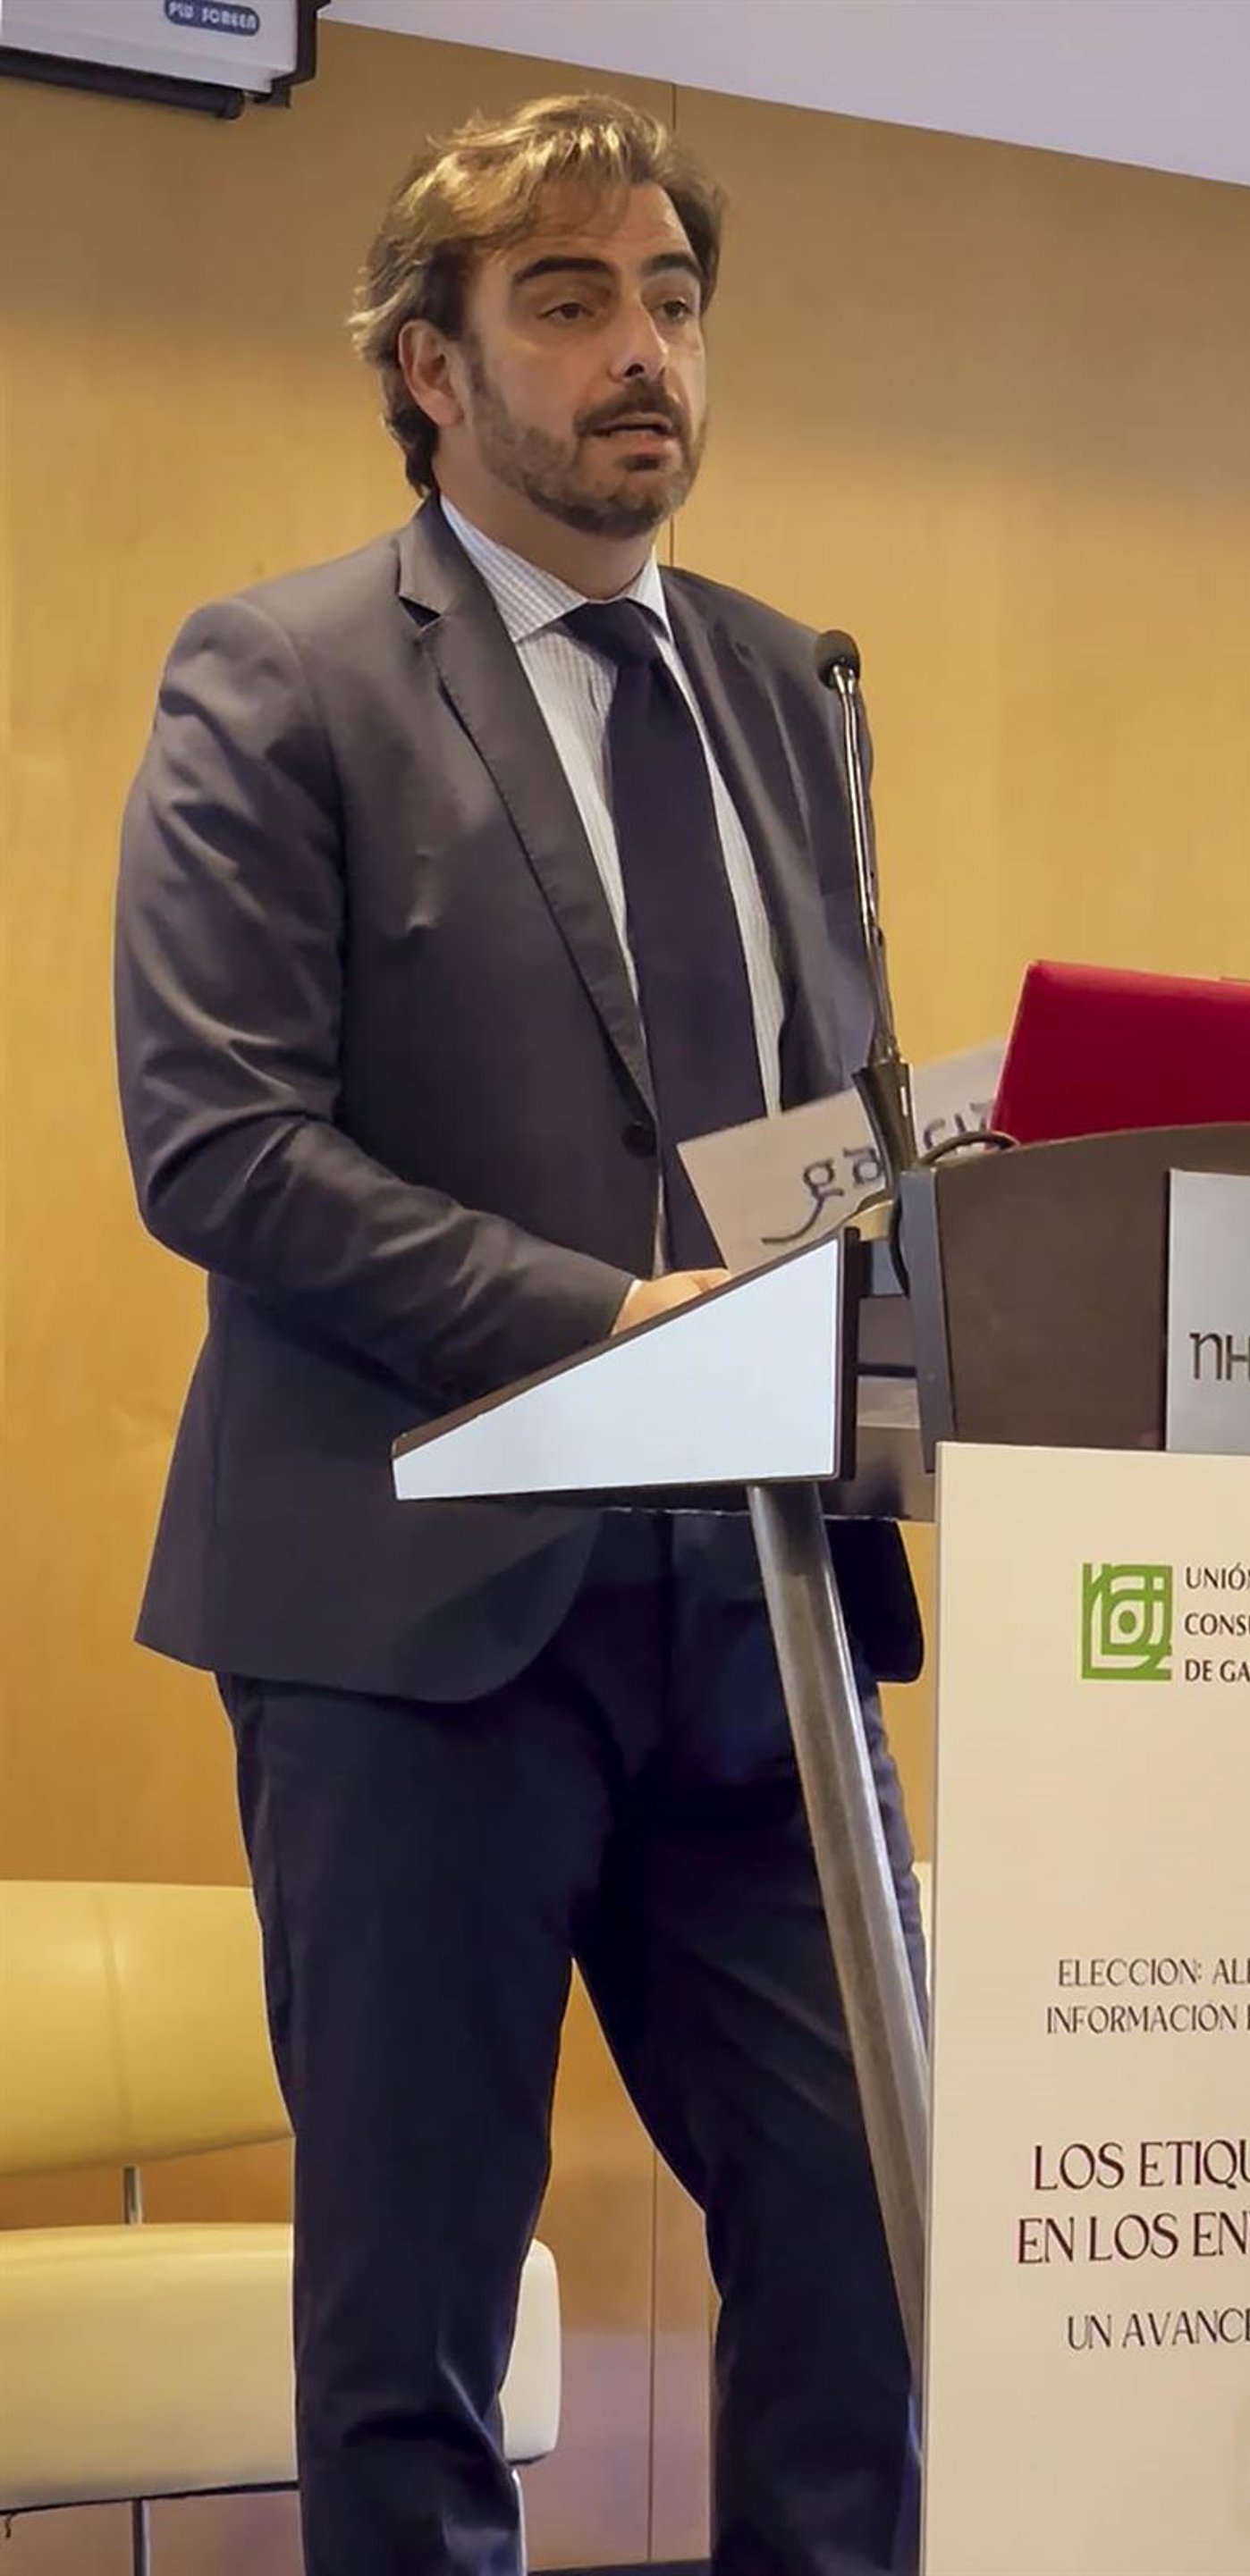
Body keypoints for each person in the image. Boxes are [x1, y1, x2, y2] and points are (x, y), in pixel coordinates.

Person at [114, 92, 923, 2576]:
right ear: (432, 370)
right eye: (568, 302)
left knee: (880, 2252)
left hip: (757, 1608)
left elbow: (822, 1112)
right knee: (417, 2333)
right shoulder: (284, 674)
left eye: (671, 297)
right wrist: (611, 1321)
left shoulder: (788, 684)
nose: (642, 348)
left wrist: (922, 1255)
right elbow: (220, 1144)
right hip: (412, 1620)